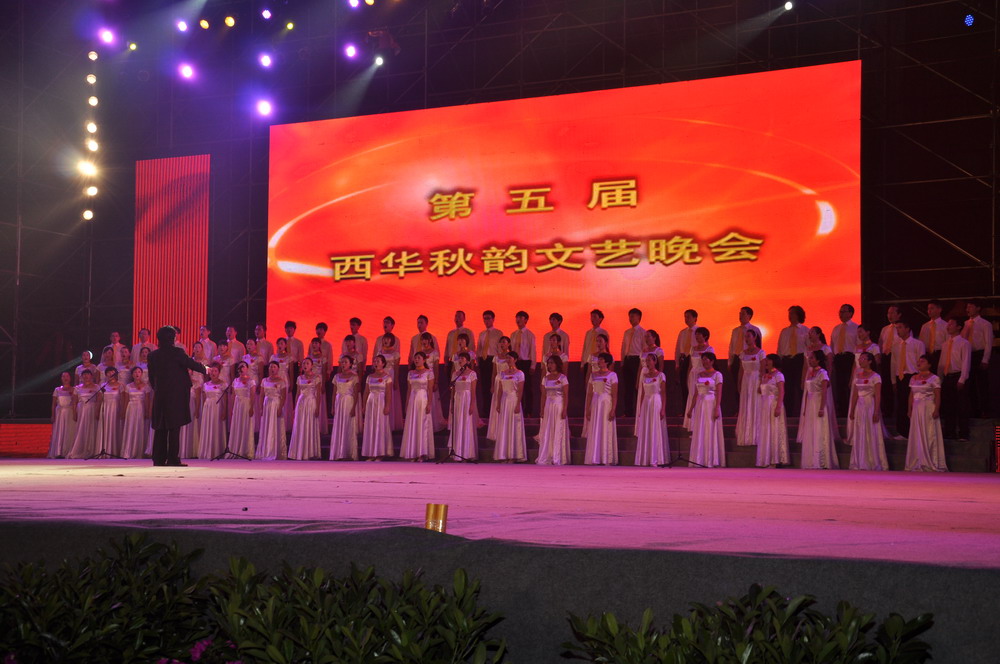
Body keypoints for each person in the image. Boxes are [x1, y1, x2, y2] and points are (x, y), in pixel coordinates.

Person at [147, 325, 208, 467]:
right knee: (174, 428)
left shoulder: (153, 355)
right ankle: (173, 459)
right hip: (176, 396)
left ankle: (158, 459)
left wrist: (158, 389)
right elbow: (191, 364)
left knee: (160, 427)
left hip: (160, 395)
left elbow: (151, 377)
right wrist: (207, 369)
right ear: (172, 338)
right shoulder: (178, 352)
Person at [905, 355, 947, 472]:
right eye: (918, 361)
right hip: (916, 409)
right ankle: (917, 460)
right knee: (916, 433)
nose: (919, 363)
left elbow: (937, 396)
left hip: (928, 408)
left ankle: (931, 460)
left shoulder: (934, 378)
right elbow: (911, 395)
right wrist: (909, 409)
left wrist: (936, 409)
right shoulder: (913, 378)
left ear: (929, 364)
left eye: (923, 361)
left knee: (929, 433)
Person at [848, 351, 888, 470]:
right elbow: (855, 394)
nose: (860, 361)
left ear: (870, 361)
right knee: (860, 430)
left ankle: (872, 460)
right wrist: (852, 409)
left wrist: (876, 411)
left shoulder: (876, 376)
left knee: (871, 431)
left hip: (870, 405)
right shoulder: (858, 376)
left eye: (863, 359)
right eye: (860, 359)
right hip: (860, 406)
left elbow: (878, 395)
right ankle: (860, 460)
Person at [799, 350, 838, 469]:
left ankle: (821, 460)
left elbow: (824, 392)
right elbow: (807, 392)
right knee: (811, 430)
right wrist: (805, 408)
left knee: (819, 429)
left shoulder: (823, 373)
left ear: (818, 360)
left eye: (812, 358)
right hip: (810, 404)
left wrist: (821, 408)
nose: (810, 360)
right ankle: (810, 460)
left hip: (818, 403)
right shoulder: (810, 372)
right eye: (809, 358)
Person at [687, 352, 725, 467]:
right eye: (702, 360)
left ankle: (711, 459)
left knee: (710, 429)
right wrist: (690, 409)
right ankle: (700, 458)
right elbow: (695, 394)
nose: (704, 362)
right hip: (700, 405)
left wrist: (717, 408)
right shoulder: (699, 375)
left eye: (706, 360)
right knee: (701, 429)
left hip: (711, 404)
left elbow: (719, 393)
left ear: (712, 361)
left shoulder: (717, 375)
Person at [890, 320, 925, 439]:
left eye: (900, 327)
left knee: (913, 404)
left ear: (907, 329)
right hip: (900, 376)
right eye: (897, 328)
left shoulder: (917, 344)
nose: (898, 330)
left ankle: (914, 431)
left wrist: (920, 377)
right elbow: (893, 363)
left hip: (913, 376)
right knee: (901, 404)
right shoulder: (896, 345)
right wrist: (893, 380)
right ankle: (902, 431)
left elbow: (921, 362)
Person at [938, 317, 971, 441]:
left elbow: (966, 362)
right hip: (947, 376)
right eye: (948, 324)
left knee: (962, 406)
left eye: (951, 324)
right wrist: (939, 379)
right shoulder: (945, 344)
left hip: (958, 376)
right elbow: (941, 363)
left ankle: (963, 433)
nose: (948, 326)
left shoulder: (964, 343)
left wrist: (962, 379)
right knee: (948, 406)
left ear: (959, 327)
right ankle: (949, 432)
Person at [584, 352, 618, 465]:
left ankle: (606, 457)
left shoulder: (612, 375)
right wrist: (587, 409)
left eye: (601, 359)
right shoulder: (593, 375)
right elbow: (589, 393)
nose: (599, 361)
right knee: (595, 428)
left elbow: (614, 394)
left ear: (607, 362)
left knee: (605, 428)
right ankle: (595, 456)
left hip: (606, 404)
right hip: (595, 403)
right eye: (598, 359)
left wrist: (613, 409)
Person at [726, 306, 762, 414]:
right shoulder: (735, 330)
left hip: (750, 360)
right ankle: (740, 409)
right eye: (740, 314)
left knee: (750, 385)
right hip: (737, 358)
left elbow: (759, 346)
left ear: (749, 316)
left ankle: (751, 409)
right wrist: (730, 362)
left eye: (743, 314)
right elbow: (731, 347)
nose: (740, 316)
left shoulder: (755, 330)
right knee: (738, 385)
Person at [635, 353, 668, 466]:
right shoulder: (644, 376)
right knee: (647, 428)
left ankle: (656, 457)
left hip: (656, 401)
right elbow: (642, 394)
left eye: (650, 360)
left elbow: (663, 393)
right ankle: (646, 457)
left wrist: (663, 409)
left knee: (655, 427)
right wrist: (640, 409)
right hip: (646, 403)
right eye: (646, 360)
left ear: (655, 362)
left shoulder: (661, 375)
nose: (648, 363)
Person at [400, 351, 435, 461]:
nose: (416, 360)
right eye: (415, 358)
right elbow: (409, 390)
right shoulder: (411, 373)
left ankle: (422, 453)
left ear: (424, 360)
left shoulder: (429, 372)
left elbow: (430, 390)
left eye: (419, 358)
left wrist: (429, 404)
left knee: (422, 425)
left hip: (423, 400)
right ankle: (413, 452)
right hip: (412, 401)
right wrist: (406, 404)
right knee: (413, 425)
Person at [962, 299, 994, 417]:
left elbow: (988, 343)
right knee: (970, 384)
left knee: (982, 384)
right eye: (967, 307)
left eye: (970, 307)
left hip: (979, 354)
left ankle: (985, 410)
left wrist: (985, 359)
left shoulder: (985, 324)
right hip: (968, 354)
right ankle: (974, 410)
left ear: (978, 308)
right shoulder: (965, 323)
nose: (968, 309)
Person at [536, 355, 570, 465]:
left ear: (557, 364)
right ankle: (548, 454)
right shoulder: (545, 378)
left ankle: (558, 456)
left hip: (559, 405)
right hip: (548, 406)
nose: (550, 365)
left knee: (558, 429)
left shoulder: (563, 378)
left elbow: (566, 395)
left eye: (552, 363)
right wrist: (542, 409)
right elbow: (543, 395)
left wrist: (564, 409)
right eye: (548, 363)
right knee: (548, 429)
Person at [755, 355, 788, 468]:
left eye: (768, 360)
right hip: (765, 405)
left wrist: (778, 406)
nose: (766, 362)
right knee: (766, 430)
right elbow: (760, 390)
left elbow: (782, 391)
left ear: (773, 362)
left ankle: (775, 459)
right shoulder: (765, 376)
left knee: (774, 430)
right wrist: (761, 377)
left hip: (773, 404)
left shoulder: (779, 375)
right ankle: (765, 458)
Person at [494, 352, 527, 462]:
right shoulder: (502, 373)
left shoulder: (520, 374)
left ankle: (514, 454)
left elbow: (521, 390)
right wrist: (498, 403)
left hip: (514, 400)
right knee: (504, 426)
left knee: (514, 426)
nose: (508, 360)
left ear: (515, 359)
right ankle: (504, 454)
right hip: (504, 401)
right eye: (506, 358)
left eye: (510, 358)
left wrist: (518, 404)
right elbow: (500, 390)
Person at [447, 351, 479, 461]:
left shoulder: (472, 374)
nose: (460, 360)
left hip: (467, 400)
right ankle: (457, 452)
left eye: (463, 359)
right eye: (459, 358)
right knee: (457, 423)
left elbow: (473, 391)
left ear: (468, 361)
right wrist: (452, 404)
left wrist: (472, 405)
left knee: (466, 424)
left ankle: (467, 453)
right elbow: (453, 390)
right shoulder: (455, 374)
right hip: (458, 400)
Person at [288, 357, 322, 460]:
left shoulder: (317, 378)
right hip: (301, 403)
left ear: (311, 366)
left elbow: (318, 394)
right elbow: (298, 393)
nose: (305, 365)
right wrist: (295, 407)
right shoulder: (299, 378)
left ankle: (310, 452)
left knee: (309, 425)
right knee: (300, 425)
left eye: (307, 363)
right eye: (303, 363)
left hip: (311, 402)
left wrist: (317, 407)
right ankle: (299, 451)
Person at [735, 328, 765, 447]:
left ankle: (756, 435)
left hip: (756, 380)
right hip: (746, 381)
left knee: (755, 404)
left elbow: (763, 370)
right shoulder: (743, 353)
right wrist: (739, 383)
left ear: (754, 337)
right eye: (745, 337)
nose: (746, 339)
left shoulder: (760, 353)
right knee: (746, 404)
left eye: (748, 336)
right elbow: (740, 370)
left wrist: (762, 384)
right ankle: (745, 434)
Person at [778, 305, 809, 416]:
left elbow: (809, 348)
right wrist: (779, 362)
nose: (790, 316)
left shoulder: (805, 330)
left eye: (792, 313)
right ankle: (788, 412)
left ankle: (802, 411)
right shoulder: (784, 331)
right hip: (787, 360)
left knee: (800, 386)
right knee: (787, 387)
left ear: (798, 315)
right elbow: (780, 348)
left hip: (799, 359)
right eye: (789, 314)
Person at [361, 354, 393, 460]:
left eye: (378, 361)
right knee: (370, 426)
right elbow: (366, 392)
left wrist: (387, 406)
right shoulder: (369, 377)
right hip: (371, 402)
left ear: (383, 363)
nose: (375, 363)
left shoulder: (387, 377)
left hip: (381, 402)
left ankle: (380, 453)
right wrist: (364, 406)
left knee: (380, 426)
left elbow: (388, 393)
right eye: (374, 361)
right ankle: (371, 453)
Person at [329, 355, 361, 461]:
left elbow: (356, 393)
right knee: (338, 425)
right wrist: (333, 406)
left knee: (348, 425)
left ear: (350, 364)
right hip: (339, 403)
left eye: (346, 362)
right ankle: (338, 452)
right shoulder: (337, 376)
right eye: (342, 362)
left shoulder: (354, 377)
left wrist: (354, 408)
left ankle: (348, 452)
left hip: (348, 402)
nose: (343, 364)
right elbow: (334, 393)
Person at [179, 342, 207, 458]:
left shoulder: (205, 362)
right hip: (190, 386)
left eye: (199, 347)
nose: (197, 349)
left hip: (199, 388)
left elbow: (206, 376)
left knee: (196, 415)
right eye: (195, 347)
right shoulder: (189, 361)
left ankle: (197, 446)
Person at [682, 327, 714, 431]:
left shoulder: (709, 349)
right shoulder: (693, 348)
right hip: (693, 374)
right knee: (692, 395)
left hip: (704, 375)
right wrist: (688, 376)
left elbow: (711, 365)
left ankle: (702, 422)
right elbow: (690, 365)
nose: (697, 336)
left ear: (705, 336)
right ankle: (692, 424)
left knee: (701, 396)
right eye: (696, 334)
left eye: (699, 334)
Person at [831, 304, 859, 416]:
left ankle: (850, 409)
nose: (841, 314)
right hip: (838, 358)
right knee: (839, 384)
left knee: (849, 383)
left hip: (850, 358)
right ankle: (841, 410)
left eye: (843, 311)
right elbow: (832, 345)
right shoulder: (836, 328)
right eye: (840, 311)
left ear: (850, 313)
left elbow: (858, 345)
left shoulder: (856, 328)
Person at [256, 361, 288, 461]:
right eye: (270, 367)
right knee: (266, 427)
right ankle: (265, 450)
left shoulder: (281, 381)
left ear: (278, 369)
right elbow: (261, 395)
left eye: (274, 367)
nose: (272, 369)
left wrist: (280, 408)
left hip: (276, 405)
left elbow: (284, 396)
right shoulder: (264, 380)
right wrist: (261, 408)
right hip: (267, 405)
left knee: (276, 427)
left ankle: (276, 451)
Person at [197, 363, 228, 460]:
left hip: (217, 408)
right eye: (212, 371)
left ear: (219, 372)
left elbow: (225, 399)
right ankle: (207, 451)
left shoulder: (223, 384)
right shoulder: (205, 384)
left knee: (216, 427)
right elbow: (204, 398)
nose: (213, 373)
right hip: (208, 408)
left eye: (215, 371)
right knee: (208, 427)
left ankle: (217, 451)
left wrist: (224, 411)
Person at [67, 369, 101, 458]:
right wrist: (74, 412)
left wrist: (97, 411)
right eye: (84, 375)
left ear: (91, 376)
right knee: (81, 428)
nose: (86, 376)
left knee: (92, 428)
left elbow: (99, 401)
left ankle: (91, 450)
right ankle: (79, 449)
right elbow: (74, 401)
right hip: (81, 409)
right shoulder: (77, 388)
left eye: (88, 374)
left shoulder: (97, 387)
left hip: (92, 409)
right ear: (81, 377)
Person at [618, 308, 645, 417]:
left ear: (639, 317)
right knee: (627, 387)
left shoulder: (643, 332)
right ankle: (628, 412)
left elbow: (643, 349)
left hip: (637, 360)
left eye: (633, 316)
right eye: (629, 316)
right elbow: (623, 347)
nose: (630, 318)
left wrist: (642, 364)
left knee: (637, 387)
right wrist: (622, 361)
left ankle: (639, 412)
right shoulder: (627, 332)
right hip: (627, 360)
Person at [120, 367, 151, 459]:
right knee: (130, 428)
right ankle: (128, 451)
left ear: (141, 374)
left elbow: (147, 400)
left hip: (141, 408)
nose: (137, 374)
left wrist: (147, 411)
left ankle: (139, 451)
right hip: (131, 408)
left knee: (140, 428)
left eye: (139, 372)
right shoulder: (128, 386)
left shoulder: (146, 386)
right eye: (135, 372)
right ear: (132, 374)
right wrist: (124, 411)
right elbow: (126, 400)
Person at [485, 336, 512, 441]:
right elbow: (493, 373)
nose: (502, 344)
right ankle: (496, 431)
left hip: (507, 382)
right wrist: (492, 385)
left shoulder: (511, 356)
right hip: (498, 381)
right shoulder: (496, 357)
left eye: (504, 342)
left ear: (508, 344)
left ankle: (506, 430)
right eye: (500, 342)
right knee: (497, 403)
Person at [510, 311, 537, 417]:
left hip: (526, 362)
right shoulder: (513, 334)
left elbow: (533, 351)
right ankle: (518, 408)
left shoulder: (530, 335)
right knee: (516, 387)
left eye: (521, 318)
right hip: (516, 363)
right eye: (517, 317)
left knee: (527, 387)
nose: (518, 320)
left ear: (526, 320)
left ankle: (528, 411)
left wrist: (533, 365)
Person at [477, 310, 504, 414]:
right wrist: (477, 362)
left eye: (488, 318)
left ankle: (494, 410)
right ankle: (486, 410)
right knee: (484, 386)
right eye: (484, 318)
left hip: (493, 360)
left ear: (493, 319)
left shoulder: (498, 333)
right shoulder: (482, 334)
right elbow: (479, 349)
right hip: (483, 360)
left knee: (493, 385)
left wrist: (500, 362)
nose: (486, 321)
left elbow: (501, 348)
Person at [228, 361, 256, 459]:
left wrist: (251, 408)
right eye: (240, 367)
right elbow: (233, 395)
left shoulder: (251, 381)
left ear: (247, 368)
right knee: (237, 425)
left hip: (246, 404)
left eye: (244, 366)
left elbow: (252, 396)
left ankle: (245, 450)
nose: (242, 368)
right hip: (237, 405)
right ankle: (235, 448)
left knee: (245, 425)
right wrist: (231, 408)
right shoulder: (235, 381)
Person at [878, 305, 902, 419]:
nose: (890, 315)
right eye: (888, 313)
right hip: (885, 357)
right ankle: (887, 410)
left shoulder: (902, 328)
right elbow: (880, 343)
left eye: (892, 313)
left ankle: (897, 410)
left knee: (896, 384)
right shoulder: (885, 329)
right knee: (885, 384)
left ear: (899, 315)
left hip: (897, 358)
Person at [420, 333, 447, 432]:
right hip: (422, 380)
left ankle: (433, 423)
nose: (424, 342)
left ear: (430, 340)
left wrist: (436, 382)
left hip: (431, 379)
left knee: (432, 400)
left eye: (425, 339)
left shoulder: (434, 353)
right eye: (422, 340)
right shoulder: (420, 353)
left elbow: (436, 368)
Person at [47, 372, 77, 459]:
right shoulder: (57, 390)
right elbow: (53, 404)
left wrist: (75, 413)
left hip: (69, 412)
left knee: (69, 431)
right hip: (59, 413)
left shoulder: (74, 389)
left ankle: (67, 451)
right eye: (63, 376)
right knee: (59, 431)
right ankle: (58, 451)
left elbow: (75, 403)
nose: (65, 378)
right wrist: (53, 415)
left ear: (70, 378)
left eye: (67, 376)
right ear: (61, 378)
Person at [674, 309, 699, 408]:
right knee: (684, 385)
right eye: (685, 317)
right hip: (683, 360)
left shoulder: (699, 331)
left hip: (695, 361)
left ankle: (694, 408)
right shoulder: (683, 332)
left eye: (688, 317)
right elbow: (678, 348)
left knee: (693, 386)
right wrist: (677, 363)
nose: (686, 319)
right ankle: (685, 409)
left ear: (695, 318)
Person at [379, 332, 404, 430]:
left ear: (392, 341)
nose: (386, 341)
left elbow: (397, 368)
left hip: (391, 375)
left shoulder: (395, 353)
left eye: (388, 339)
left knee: (391, 397)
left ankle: (391, 423)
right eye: (385, 339)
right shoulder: (380, 352)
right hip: (381, 375)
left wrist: (396, 380)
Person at [919, 300, 948, 373]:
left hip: (939, 353)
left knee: (939, 374)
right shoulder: (925, 326)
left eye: (932, 308)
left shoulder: (945, 325)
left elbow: (948, 343)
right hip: (927, 354)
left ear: (939, 310)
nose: (929, 311)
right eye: (928, 309)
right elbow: (921, 343)